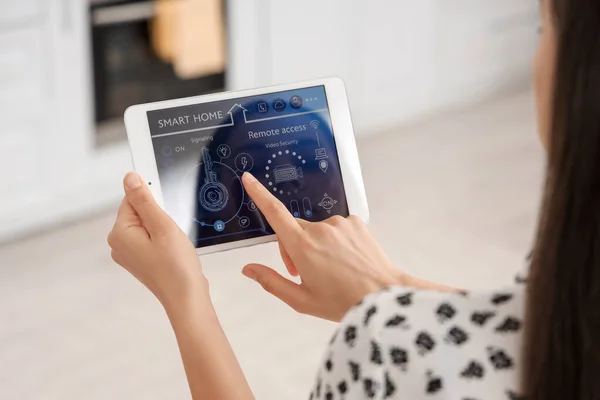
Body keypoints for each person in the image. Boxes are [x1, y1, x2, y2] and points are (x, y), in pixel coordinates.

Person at [107, 0, 600, 398]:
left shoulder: (383, 351)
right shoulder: (572, 284)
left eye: (543, 30)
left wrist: (185, 300)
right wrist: (389, 288)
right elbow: (526, 323)